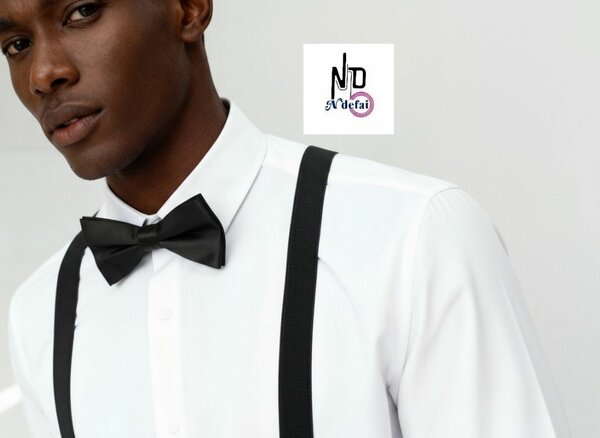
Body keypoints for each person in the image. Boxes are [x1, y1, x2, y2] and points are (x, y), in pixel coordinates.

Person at [2, 0, 570, 437]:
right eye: (16, 44)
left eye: (82, 12)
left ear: (189, 9)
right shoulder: (40, 312)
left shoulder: (414, 238)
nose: (43, 74)